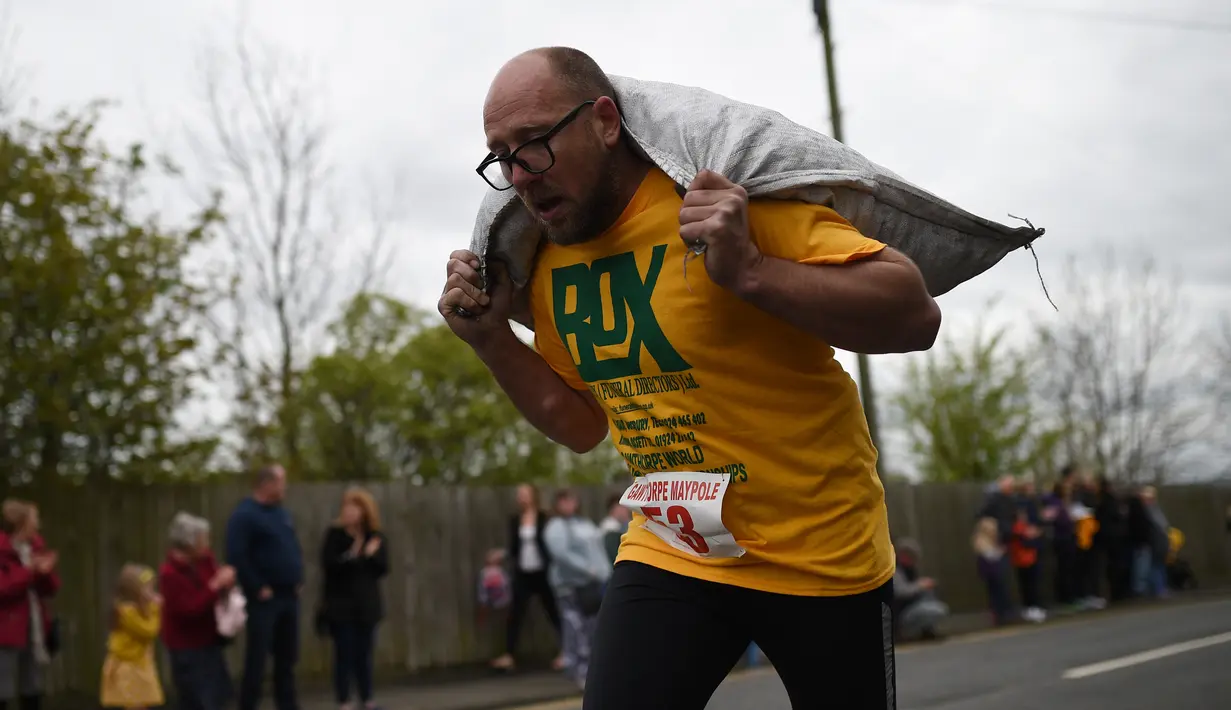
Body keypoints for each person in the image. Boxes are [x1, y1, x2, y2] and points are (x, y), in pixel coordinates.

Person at [440, 46, 940, 709]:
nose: (520, 173)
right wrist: (490, 339)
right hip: (675, 548)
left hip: (821, 553)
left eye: (534, 143)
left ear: (605, 122)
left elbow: (913, 315)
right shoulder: (548, 263)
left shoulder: (714, 202)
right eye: (502, 157)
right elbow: (581, 424)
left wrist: (751, 272)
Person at [226, 463, 304, 710]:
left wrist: (297, 577)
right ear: (267, 484)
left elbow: (290, 547)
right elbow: (236, 554)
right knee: (257, 660)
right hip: (264, 598)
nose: (285, 488)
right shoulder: (245, 515)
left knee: (287, 659)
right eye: (282, 483)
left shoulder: (281, 514)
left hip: (289, 595)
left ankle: (288, 705)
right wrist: (257, 586)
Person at [318, 487, 389, 710]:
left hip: (366, 606)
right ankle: (344, 701)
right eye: (346, 507)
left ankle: (367, 699)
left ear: (364, 511)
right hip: (341, 606)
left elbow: (382, 568)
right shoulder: (335, 535)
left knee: (364, 655)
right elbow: (331, 566)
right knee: (344, 655)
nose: (349, 512)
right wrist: (358, 556)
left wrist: (368, 556)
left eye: (354, 508)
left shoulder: (375, 537)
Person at [159, 512, 236, 710]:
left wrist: (225, 582)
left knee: (219, 697)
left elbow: (215, 583)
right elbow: (189, 608)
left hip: (210, 641)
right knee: (196, 700)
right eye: (203, 539)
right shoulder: (170, 574)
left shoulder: (205, 559)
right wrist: (215, 586)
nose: (207, 544)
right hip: (187, 647)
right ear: (189, 543)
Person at [542, 490, 612, 690]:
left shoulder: (584, 523)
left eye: (571, 499)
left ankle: (590, 671)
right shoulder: (556, 526)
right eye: (564, 500)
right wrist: (587, 569)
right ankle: (577, 672)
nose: (569, 504)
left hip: (592, 585)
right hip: (571, 586)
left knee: (591, 629)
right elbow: (561, 554)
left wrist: (604, 572)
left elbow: (597, 550)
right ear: (557, 504)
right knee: (575, 628)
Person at [491, 484, 562, 672]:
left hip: (543, 572)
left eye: (524, 494)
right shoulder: (515, 520)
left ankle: (567, 652)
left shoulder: (544, 518)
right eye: (518, 494)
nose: (520, 498)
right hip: (523, 572)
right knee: (515, 614)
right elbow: (515, 547)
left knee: (554, 612)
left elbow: (552, 543)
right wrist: (502, 555)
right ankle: (509, 655)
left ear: (533, 496)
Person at [0, 500, 59, 710]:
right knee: (3, 687)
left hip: (33, 626)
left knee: (32, 685)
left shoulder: (35, 547)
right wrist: (31, 571)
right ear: (20, 523)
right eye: (34, 520)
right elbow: (3, 588)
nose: (38, 525)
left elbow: (50, 590)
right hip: (5, 630)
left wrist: (45, 572)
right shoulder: (2, 550)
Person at [100, 564, 165, 710]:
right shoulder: (126, 612)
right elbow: (149, 630)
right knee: (134, 703)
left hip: (138, 665)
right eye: (148, 588)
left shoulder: (137, 609)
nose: (151, 592)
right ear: (135, 590)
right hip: (128, 668)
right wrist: (156, 609)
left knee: (143, 703)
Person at [891, 539, 947, 641]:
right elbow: (900, 591)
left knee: (929, 593)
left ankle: (927, 630)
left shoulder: (911, 570)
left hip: (910, 606)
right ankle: (903, 632)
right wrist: (920, 585)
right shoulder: (895, 570)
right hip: (901, 612)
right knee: (933, 607)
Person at [973, 518, 1012, 626]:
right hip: (991, 570)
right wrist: (1000, 551)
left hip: (995, 569)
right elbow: (990, 555)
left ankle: (1002, 613)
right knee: (996, 592)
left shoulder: (992, 539)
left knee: (999, 591)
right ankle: (999, 615)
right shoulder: (981, 540)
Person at [596, 495, 630, 565]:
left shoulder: (624, 525)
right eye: (622, 508)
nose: (626, 510)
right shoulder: (609, 528)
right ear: (613, 509)